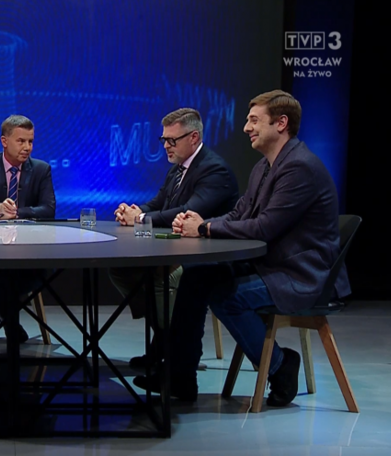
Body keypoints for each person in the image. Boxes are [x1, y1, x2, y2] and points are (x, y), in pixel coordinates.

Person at [133, 90, 350, 407]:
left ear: (281, 123)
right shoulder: (264, 166)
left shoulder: (300, 167)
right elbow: (239, 214)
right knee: (196, 275)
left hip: (300, 274)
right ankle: (180, 377)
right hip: (271, 264)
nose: (247, 128)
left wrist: (205, 228)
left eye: (254, 120)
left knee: (227, 297)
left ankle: (280, 365)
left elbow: (265, 227)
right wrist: (201, 222)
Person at [109, 108, 239, 369]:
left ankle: (175, 351)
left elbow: (188, 211)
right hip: (176, 250)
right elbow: (159, 203)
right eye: (163, 140)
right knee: (120, 269)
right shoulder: (178, 169)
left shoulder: (214, 170)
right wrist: (134, 211)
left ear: (193, 137)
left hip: (206, 257)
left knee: (162, 278)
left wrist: (141, 219)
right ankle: (165, 337)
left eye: (172, 140)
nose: (165, 146)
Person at [0, 115, 56, 343]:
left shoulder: (41, 169)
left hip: (32, 250)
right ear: (4, 141)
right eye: (21, 141)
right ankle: (10, 322)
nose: (27, 147)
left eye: (31, 141)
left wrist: (17, 212)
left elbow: (48, 210)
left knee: (17, 277)